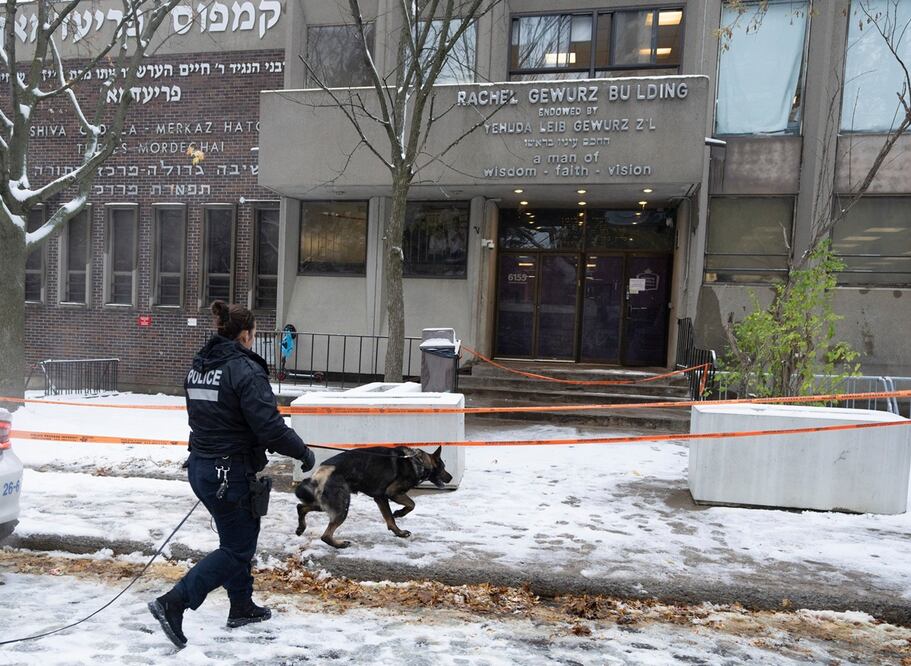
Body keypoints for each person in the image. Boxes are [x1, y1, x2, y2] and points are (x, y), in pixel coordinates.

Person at [148, 301, 315, 649]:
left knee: (235, 540)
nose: (253, 341)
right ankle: (174, 603)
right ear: (245, 335)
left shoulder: (200, 365)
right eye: (253, 335)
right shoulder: (243, 370)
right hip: (228, 472)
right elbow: (269, 426)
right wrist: (302, 452)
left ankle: (241, 605)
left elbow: (210, 415)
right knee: (238, 549)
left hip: (202, 467)